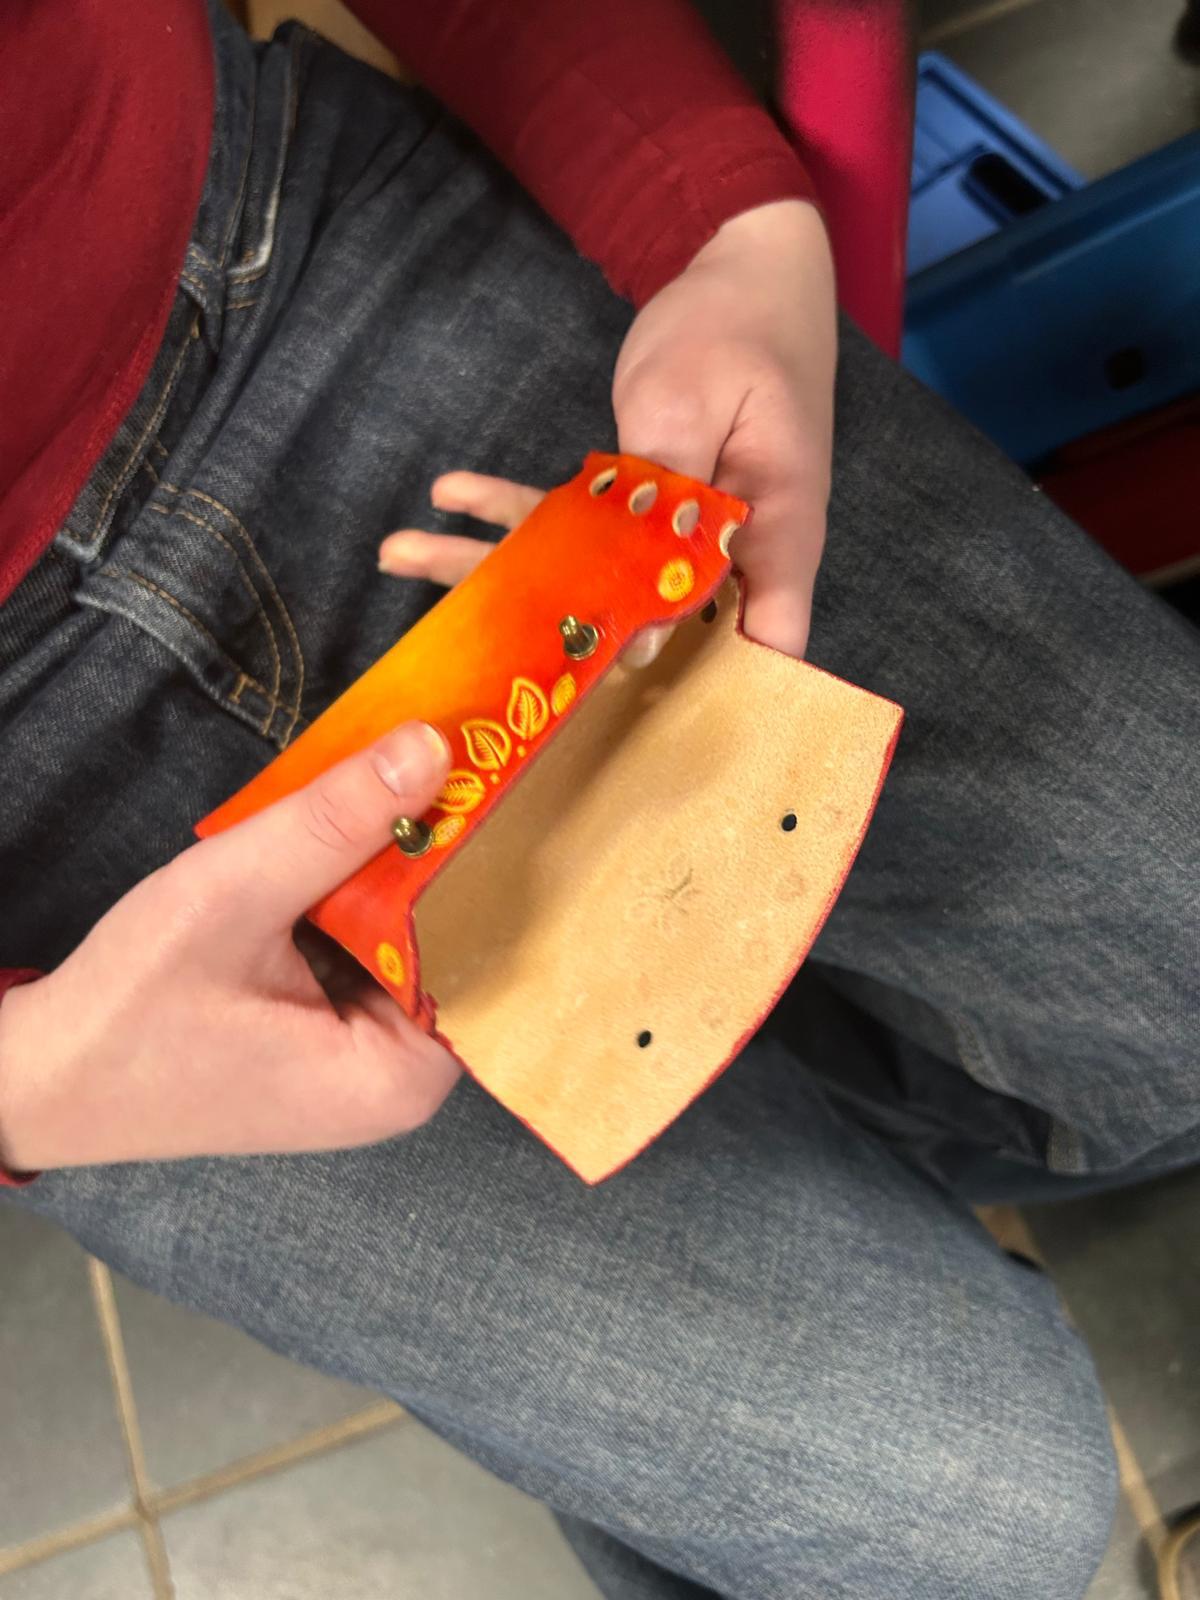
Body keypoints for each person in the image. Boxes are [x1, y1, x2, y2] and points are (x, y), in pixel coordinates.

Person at [0, 2, 1196, 1595]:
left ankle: (813, 1143)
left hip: (294, 248)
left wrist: (722, 221)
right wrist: (22, 1084)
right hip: (42, 888)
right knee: (961, 1512)